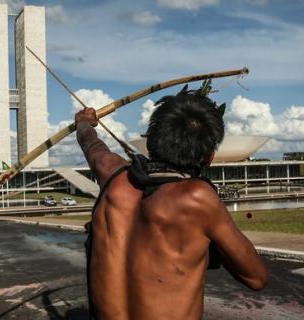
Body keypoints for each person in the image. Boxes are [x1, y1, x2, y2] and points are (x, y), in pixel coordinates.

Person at [75, 87, 268, 320]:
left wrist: (84, 123)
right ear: (208, 158)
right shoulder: (197, 197)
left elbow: (93, 146)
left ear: (152, 140)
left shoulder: (112, 174)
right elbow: (256, 277)